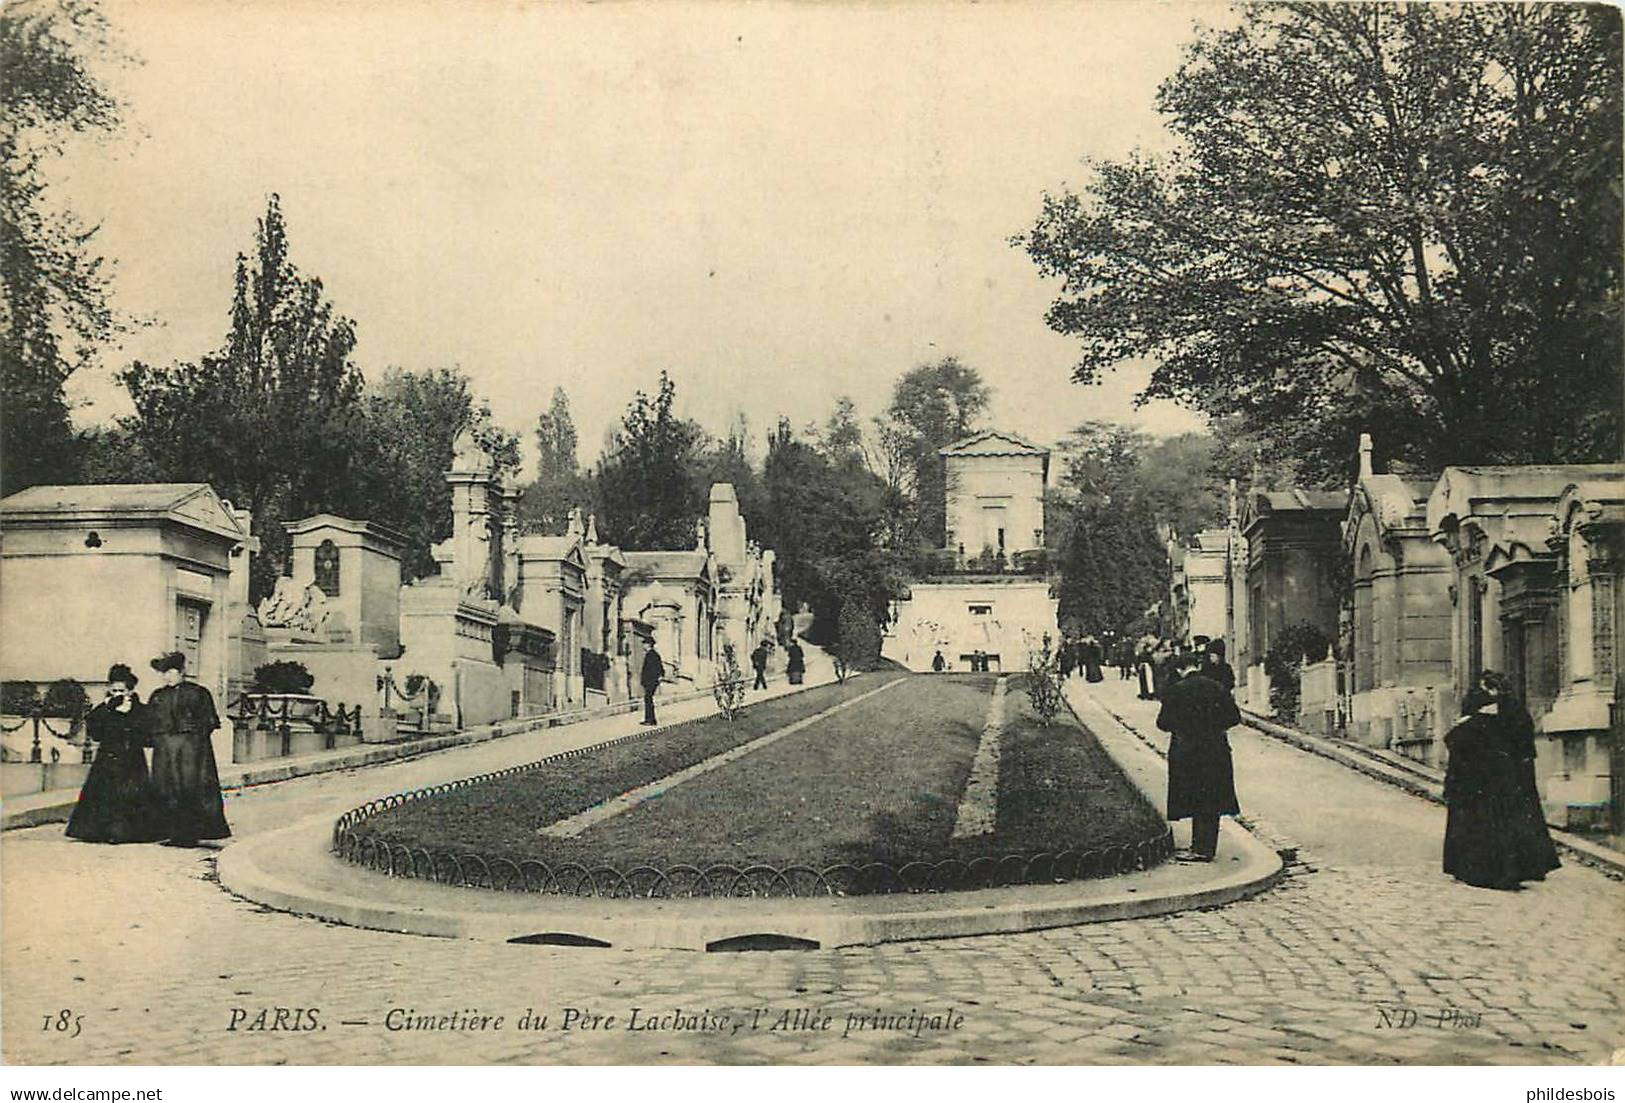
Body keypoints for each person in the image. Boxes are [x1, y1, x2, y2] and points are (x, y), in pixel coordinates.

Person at [1442, 673, 1561, 890]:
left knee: (1489, 825)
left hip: (1485, 784)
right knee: (1510, 825)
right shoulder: (1513, 713)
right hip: (1510, 781)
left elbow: (1455, 741)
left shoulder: (1479, 719)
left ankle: (1486, 869)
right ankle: (1517, 868)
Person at [1156, 652, 1242, 862]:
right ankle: (1206, 847)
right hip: (1215, 750)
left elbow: (1163, 723)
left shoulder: (1175, 691)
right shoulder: (1216, 687)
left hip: (1186, 751)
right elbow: (1234, 717)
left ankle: (1199, 848)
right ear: (1198, 665)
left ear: (1179, 669)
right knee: (1211, 798)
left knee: (1194, 796)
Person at [65, 664, 164, 844]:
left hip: (131, 757)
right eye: (114, 690)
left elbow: (148, 734)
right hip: (108, 756)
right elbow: (95, 731)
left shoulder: (140, 709)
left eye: (122, 690)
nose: (118, 694)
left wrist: (128, 718)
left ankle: (127, 832)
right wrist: (109, 709)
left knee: (131, 793)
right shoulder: (105, 708)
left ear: (130, 690)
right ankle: (99, 831)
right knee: (103, 791)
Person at [145, 652, 230, 846]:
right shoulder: (158, 696)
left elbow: (208, 722)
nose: (168, 676)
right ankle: (172, 833)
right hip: (165, 751)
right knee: (166, 788)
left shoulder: (198, 692)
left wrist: (193, 741)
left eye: (172, 671)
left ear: (182, 672)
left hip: (191, 751)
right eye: (164, 672)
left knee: (191, 787)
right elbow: (150, 723)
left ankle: (190, 834)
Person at [640, 643, 666, 725]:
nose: (643, 646)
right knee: (648, 699)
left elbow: (653, 669)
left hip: (650, 681)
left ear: (648, 645)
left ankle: (650, 720)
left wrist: (651, 679)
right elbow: (660, 668)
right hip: (651, 681)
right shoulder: (654, 654)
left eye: (644, 644)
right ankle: (650, 719)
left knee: (648, 699)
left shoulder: (651, 655)